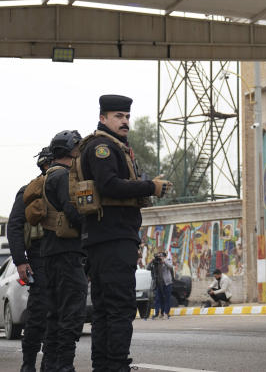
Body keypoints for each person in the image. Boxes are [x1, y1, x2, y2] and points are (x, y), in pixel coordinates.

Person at [81, 94, 172, 372]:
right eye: (118, 116)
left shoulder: (115, 147)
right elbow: (109, 185)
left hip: (107, 240)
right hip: (112, 239)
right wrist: (149, 188)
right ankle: (116, 365)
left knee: (106, 310)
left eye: (127, 117)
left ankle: (105, 366)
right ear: (103, 118)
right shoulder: (102, 148)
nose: (125, 122)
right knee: (119, 308)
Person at [41, 130, 88, 372]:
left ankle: (49, 365)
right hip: (67, 253)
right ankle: (64, 366)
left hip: (51, 253)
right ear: (69, 150)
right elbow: (72, 210)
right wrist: (91, 223)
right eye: (77, 148)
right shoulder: (63, 177)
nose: (79, 152)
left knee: (55, 313)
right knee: (71, 313)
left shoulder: (50, 174)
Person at [7, 146, 53, 372]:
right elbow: (14, 227)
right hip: (39, 257)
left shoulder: (68, 188)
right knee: (39, 314)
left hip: (62, 258)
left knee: (61, 314)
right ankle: (28, 364)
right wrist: (20, 261)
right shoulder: (29, 192)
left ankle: (51, 362)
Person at [146, 251, 173, 319]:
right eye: (159, 256)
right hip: (159, 283)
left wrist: (164, 261)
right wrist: (151, 261)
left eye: (161, 256)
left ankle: (166, 313)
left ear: (164, 257)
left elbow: (171, 267)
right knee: (159, 299)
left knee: (167, 298)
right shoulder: (156, 262)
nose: (160, 257)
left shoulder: (167, 261)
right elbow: (147, 268)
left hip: (167, 283)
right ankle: (159, 313)